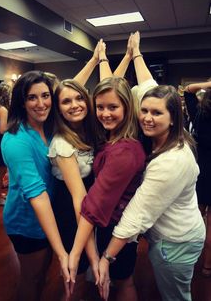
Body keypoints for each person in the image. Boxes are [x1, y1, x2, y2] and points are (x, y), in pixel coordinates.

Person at [98, 32, 206, 301]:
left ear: (173, 118)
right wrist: (135, 54)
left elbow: (138, 213)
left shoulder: (172, 159)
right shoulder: (163, 138)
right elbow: (148, 85)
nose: (147, 117)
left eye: (156, 113)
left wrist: (107, 257)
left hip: (176, 242)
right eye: (144, 110)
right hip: (172, 236)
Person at [69, 54, 146, 301]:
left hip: (116, 228)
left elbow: (97, 202)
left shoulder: (125, 150)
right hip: (109, 225)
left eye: (113, 107)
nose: (105, 114)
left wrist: (75, 253)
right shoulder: (111, 138)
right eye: (100, 107)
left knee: (123, 283)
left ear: (127, 107)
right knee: (112, 283)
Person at [1, 71, 70, 301]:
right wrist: (62, 252)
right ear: (22, 101)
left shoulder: (48, 128)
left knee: (41, 276)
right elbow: (37, 196)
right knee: (31, 278)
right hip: (26, 222)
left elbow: (73, 90)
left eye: (45, 95)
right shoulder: (16, 139)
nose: (41, 104)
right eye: (32, 97)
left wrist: (96, 60)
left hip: (48, 218)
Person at [48, 79, 98, 300]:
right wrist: (90, 251)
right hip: (71, 209)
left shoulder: (90, 131)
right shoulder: (62, 143)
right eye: (66, 101)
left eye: (79, 98)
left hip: (88, 204)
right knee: (74, 271)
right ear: (58, 109)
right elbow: (79, 198)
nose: (75, 105)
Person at [183, 81, 211, 278]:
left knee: (194, 219)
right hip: (204, 172)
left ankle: (189, 261)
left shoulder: (200, 114)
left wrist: (208, 83)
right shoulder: (201, 114)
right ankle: (208, 266)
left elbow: (188, 90)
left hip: (202, 172)